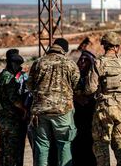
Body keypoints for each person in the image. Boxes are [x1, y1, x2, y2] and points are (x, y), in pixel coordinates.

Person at [86, 32, 121, 166]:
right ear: (116, 47)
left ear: (104, 46)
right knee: (119, 142)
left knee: (101, 143)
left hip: (104, 109)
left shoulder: (99, 63)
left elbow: (90, 89)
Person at [27, 38, 80, 166]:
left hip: (40, 111)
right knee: (64, 144)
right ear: (64, 50)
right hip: (63, 111)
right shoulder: (70, 64)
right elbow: (77, 86)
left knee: (42, 145)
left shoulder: (38, 63)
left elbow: (29, 85)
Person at [0, 49, 28, 166]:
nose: (19, 67)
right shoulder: (9, 78)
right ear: (12, 63)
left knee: (4, 148)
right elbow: (14, 100)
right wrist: (25, 109)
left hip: (2, 117)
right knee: (12, 150)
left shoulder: (0, 77)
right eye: (17, 64)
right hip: (12, 120)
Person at [72, 49, 97, 166]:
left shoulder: (95, 77)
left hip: (90, 115)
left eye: (86, 60)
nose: (82, 62)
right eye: (81, 59)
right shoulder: (74, 75)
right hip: (76, 115)